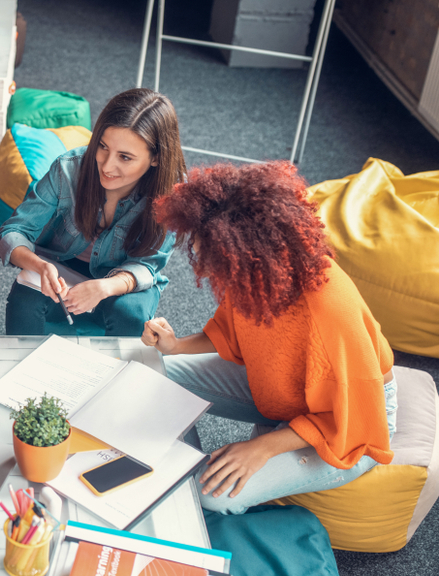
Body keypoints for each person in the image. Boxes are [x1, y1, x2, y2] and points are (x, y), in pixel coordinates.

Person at [141, 161, 398, 515]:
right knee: (153, 370)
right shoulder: (254, 275)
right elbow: (231, 333)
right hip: (287, 390)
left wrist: (263, 447)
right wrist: (176, 346)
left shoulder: (329, 313)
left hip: (353, 419)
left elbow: (353, 418)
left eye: (209, 253)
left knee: (210, 495)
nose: (200, 260)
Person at [0, 88, 186, 335]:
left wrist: (106, 287)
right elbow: (13, 231)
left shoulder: (173, 194)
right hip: (61, 265)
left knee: (129, 314)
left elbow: (147, 266)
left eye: (125, 157)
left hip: (122, 278)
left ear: (156, 159)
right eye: (103, 147)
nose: (107, 166)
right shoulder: (68, 168)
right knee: (24, 302)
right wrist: (40, 266)